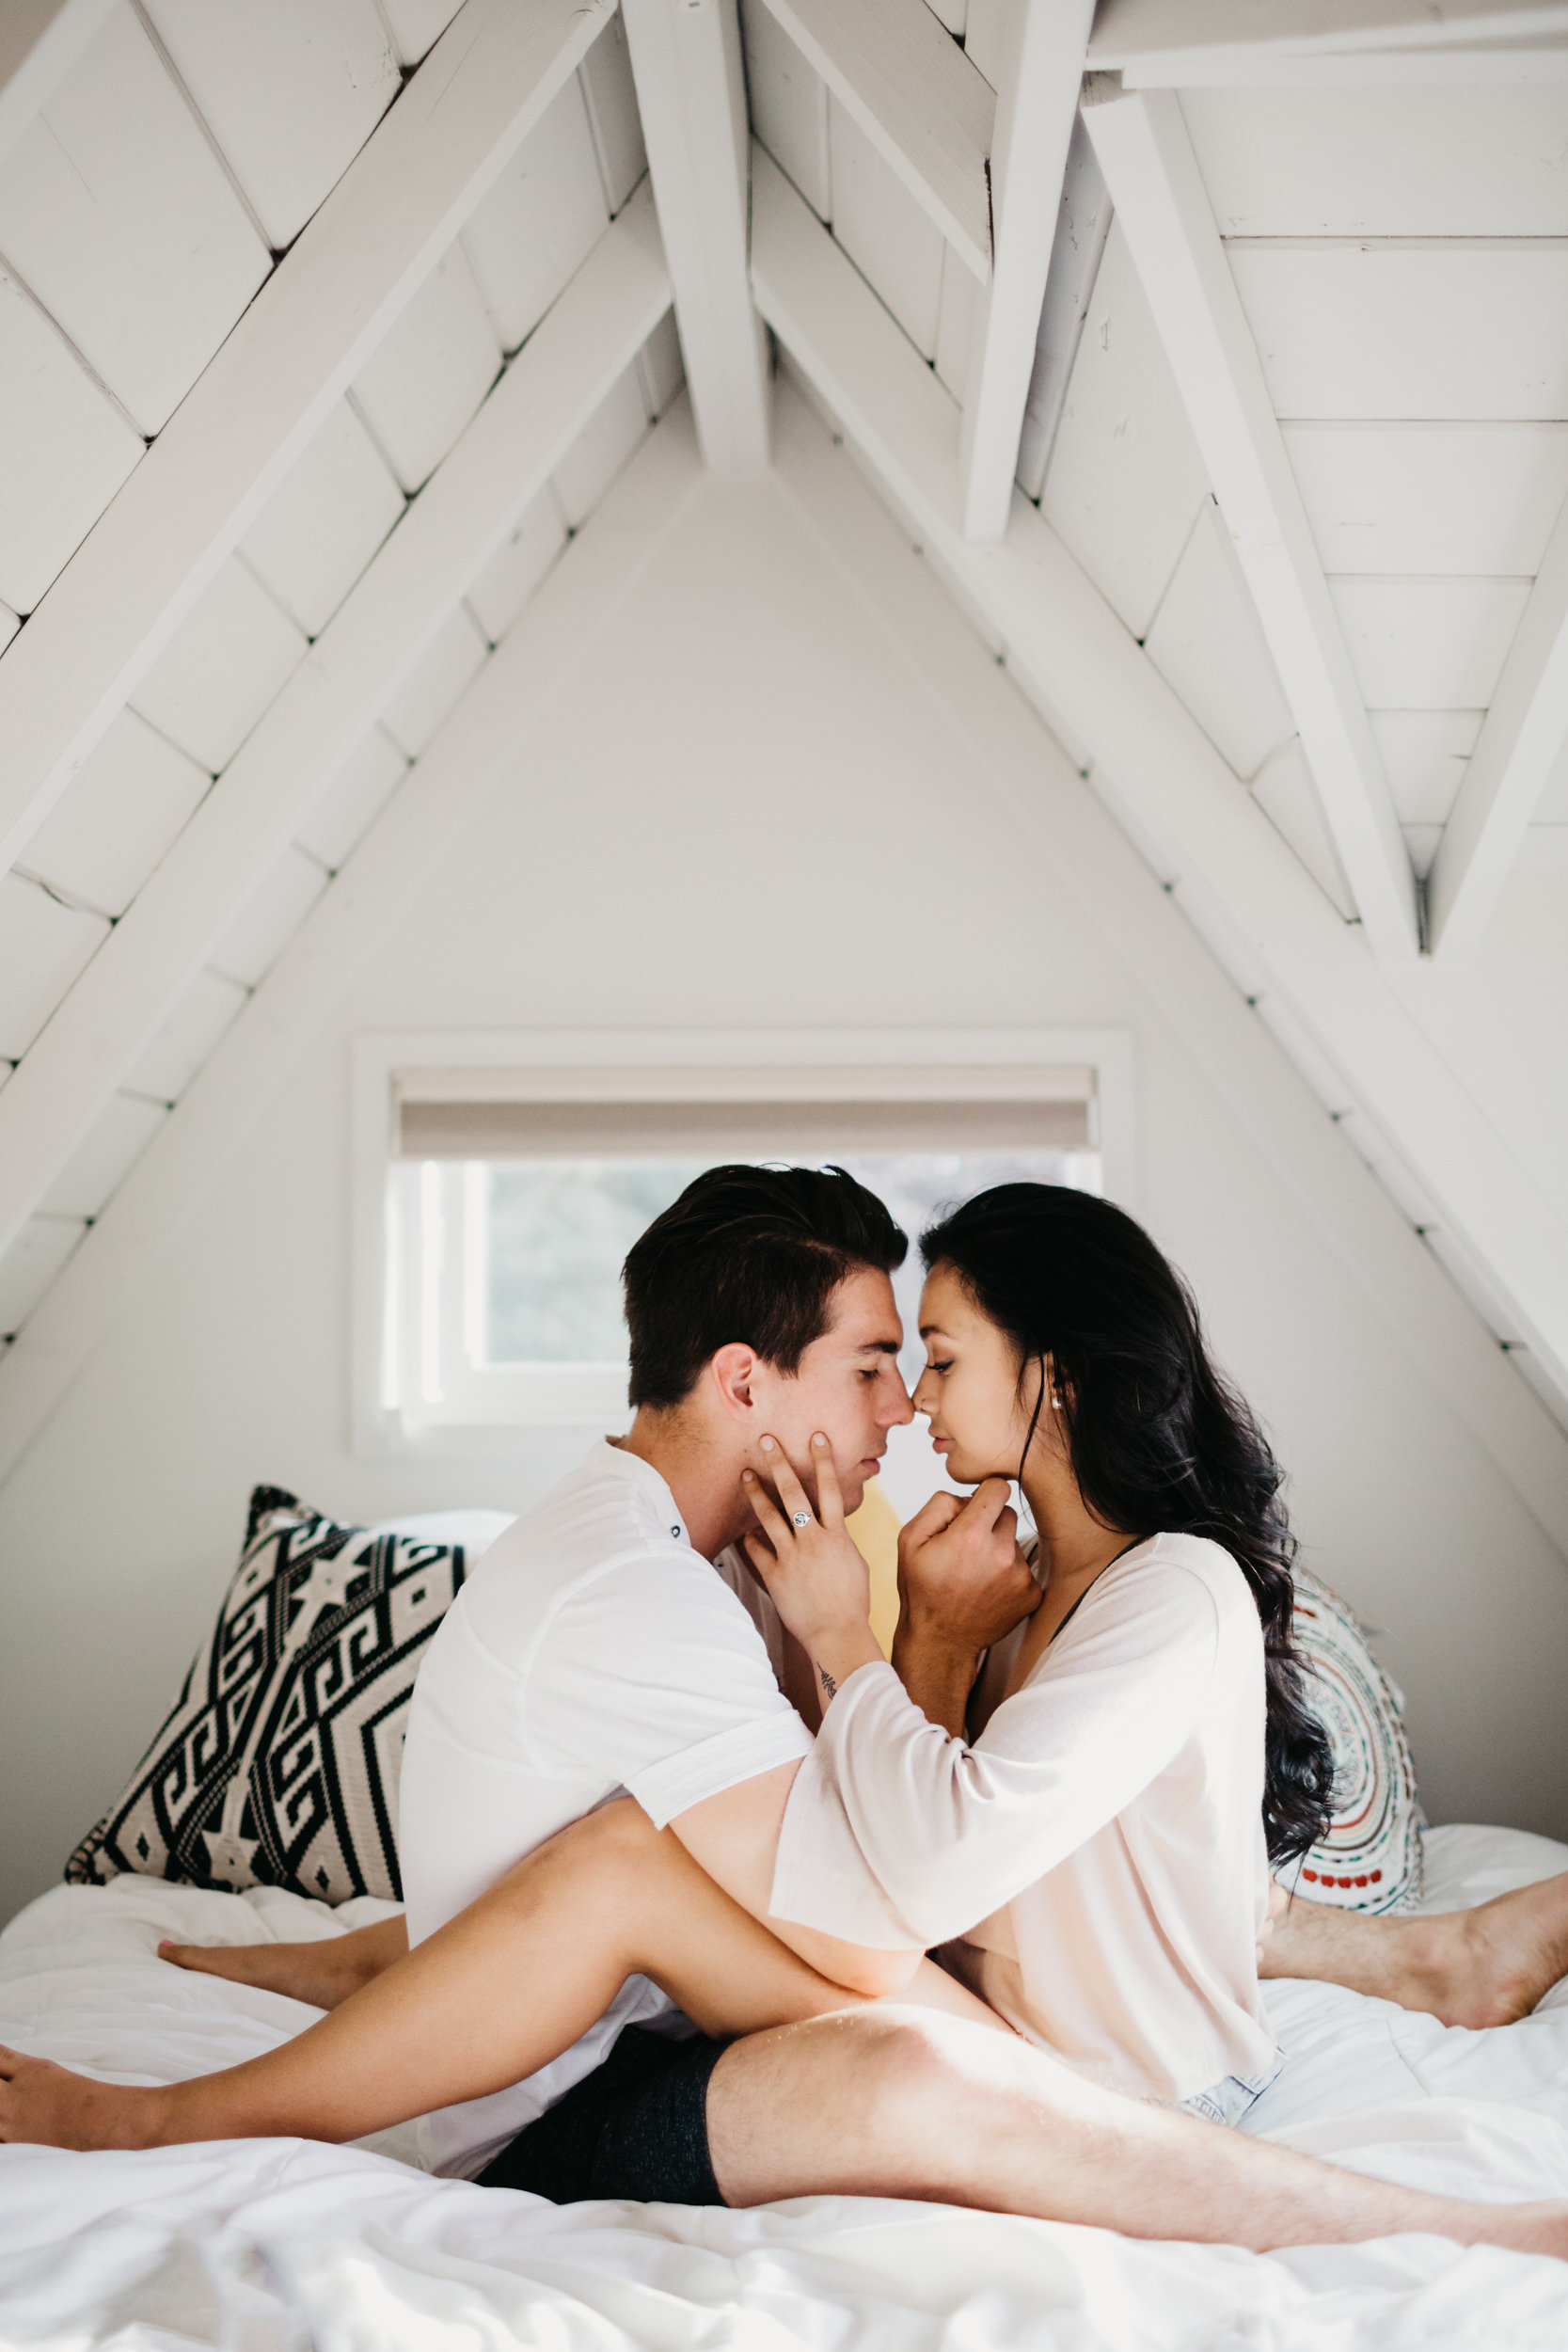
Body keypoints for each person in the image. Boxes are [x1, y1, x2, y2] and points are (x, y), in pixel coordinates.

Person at [5, 1170, 1568, 2266]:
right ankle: (152, 2123)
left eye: (931, 1363)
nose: (903, 1411)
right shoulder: (649, 1592)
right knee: (777, 1967)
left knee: (697, 1905)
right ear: (751, 1385)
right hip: (588, 2100)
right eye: (889, 1362)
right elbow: (878, 1926)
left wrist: (878, 1642)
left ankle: (1375, 2104)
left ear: (1061, 1380)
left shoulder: (796, 1570)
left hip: (882, 2043)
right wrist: (883, 1646)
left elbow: (891, 1869)